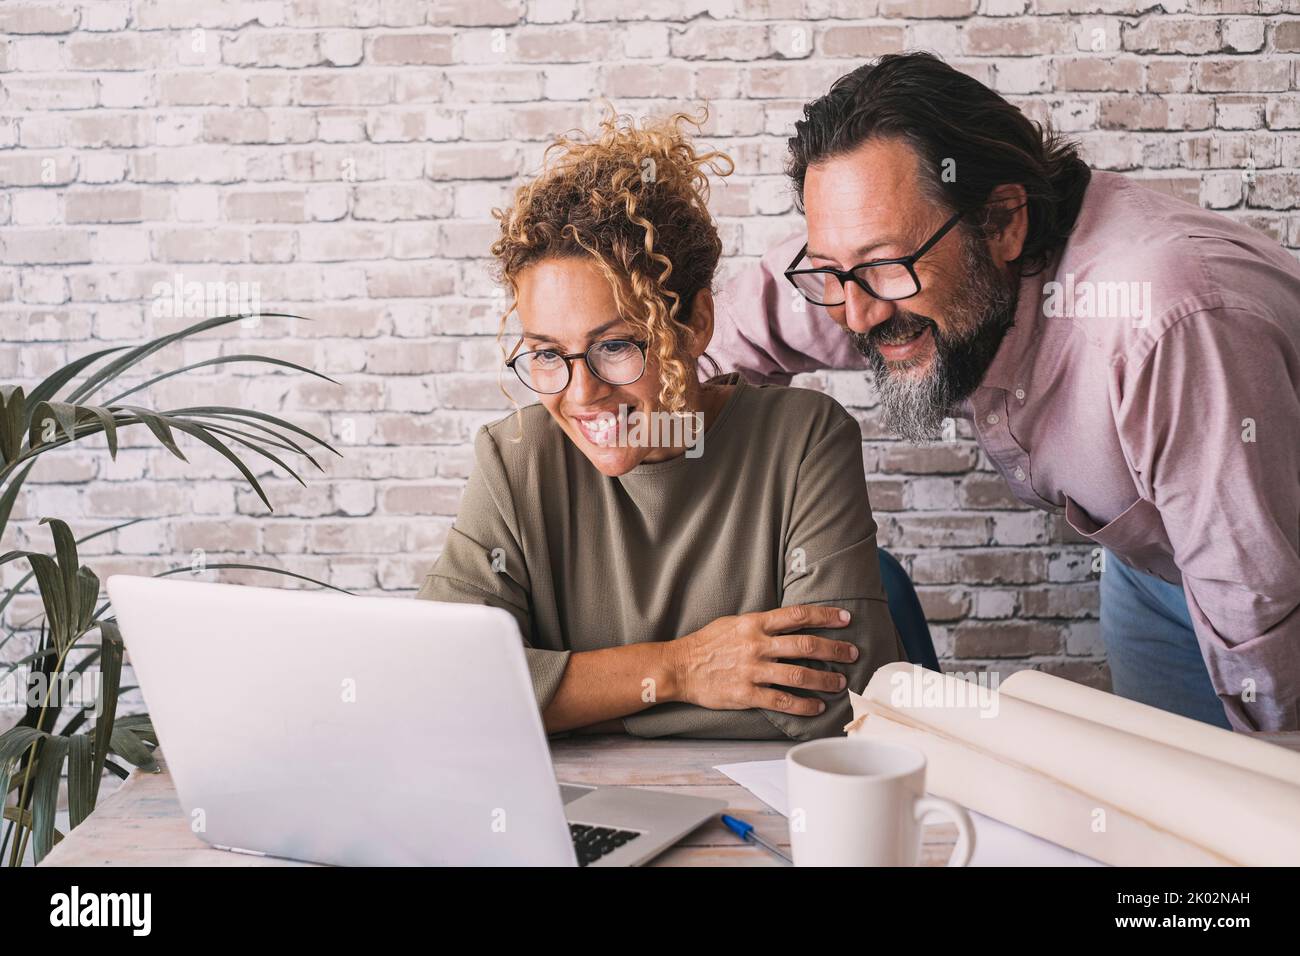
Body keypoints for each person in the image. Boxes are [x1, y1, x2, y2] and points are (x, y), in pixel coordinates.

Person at [711, 51, 1300, 732]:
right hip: (1156, 566)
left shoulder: (1159, 322)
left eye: (882, 268)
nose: (858, 313)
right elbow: (708, 352)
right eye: (831, 271)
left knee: (1261, 809)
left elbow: (1258, 598)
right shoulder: (880, 265)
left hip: (1270, 580)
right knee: (1179, 801)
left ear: (1001, 223)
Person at [418, 109, 904, 740]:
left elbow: (838, 700)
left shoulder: (804, 440)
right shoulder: (515, 458)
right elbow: (439, 684)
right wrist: (679, 671)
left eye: (616, 346)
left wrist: (552, 696)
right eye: (545, 355)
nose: (583, 393)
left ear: (696, 324)